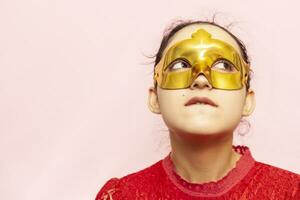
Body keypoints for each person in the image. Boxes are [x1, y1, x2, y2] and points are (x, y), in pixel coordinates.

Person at [95, 19, 300, 200]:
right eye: (179, 65)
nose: (201, 80)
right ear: (154, 98)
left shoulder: (292, 193)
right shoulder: (121, 196)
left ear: (247, 100)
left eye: (223, 66)